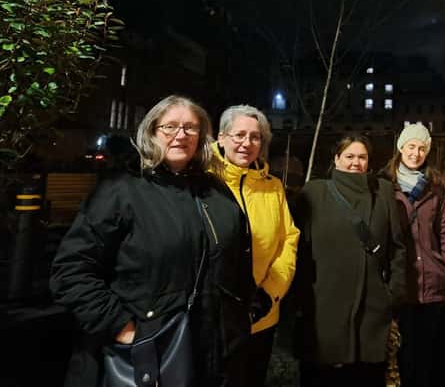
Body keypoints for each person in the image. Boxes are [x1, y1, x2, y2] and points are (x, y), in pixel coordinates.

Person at [50, 95, 254, 386]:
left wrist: (243, 315)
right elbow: (71, 271)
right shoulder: (120, 190)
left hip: (212, 358)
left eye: (190, 128)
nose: (180, 135)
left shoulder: (216, 192)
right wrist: (123, 329)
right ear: (151, 131)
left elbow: (239, 259)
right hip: (144, 355)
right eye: (170, 126)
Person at [295, 134, 407, 387]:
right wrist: (302, 299)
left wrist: (393, 294)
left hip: (372, 310)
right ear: (336, 159)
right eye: (349, 156)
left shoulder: (383, 192)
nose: (356, 162)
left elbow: (397, 248)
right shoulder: (314, 192)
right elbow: (299, 250)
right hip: (323, 308)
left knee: (365, 377)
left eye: (362, 157)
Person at [211, 105, 300, 387]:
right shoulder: (202, 181)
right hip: (212, 318)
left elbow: (288, 240)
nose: (246, 143)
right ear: (221, 138)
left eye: (255, 137)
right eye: (239, 135)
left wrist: (270, 293)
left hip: (261, 315)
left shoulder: (273, 186)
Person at [381, 123, 445, 387]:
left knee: (426, 357)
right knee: (397, 355)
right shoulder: (383, 185)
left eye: (421, 148)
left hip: (431, 283)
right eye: (411, 146)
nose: (415, 153)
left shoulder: (437, 188)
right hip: (398, 283)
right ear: (401, 148)